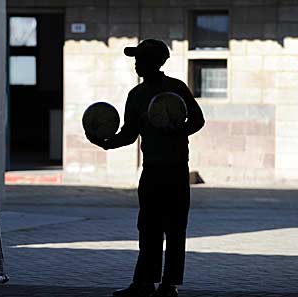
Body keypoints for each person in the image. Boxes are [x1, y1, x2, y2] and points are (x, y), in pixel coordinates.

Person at [86, 39, 205, 297]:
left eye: (140, 59)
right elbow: (129, 134)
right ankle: (144, 283)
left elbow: (198, 120)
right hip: (151, 171)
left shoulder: (177, 89)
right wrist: (106, 143)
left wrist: (177, 129)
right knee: (148, 228)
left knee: (174, 229)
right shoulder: (136, 95)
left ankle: (168, 285)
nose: (137, 64)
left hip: (174, 170)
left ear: (155, 62)